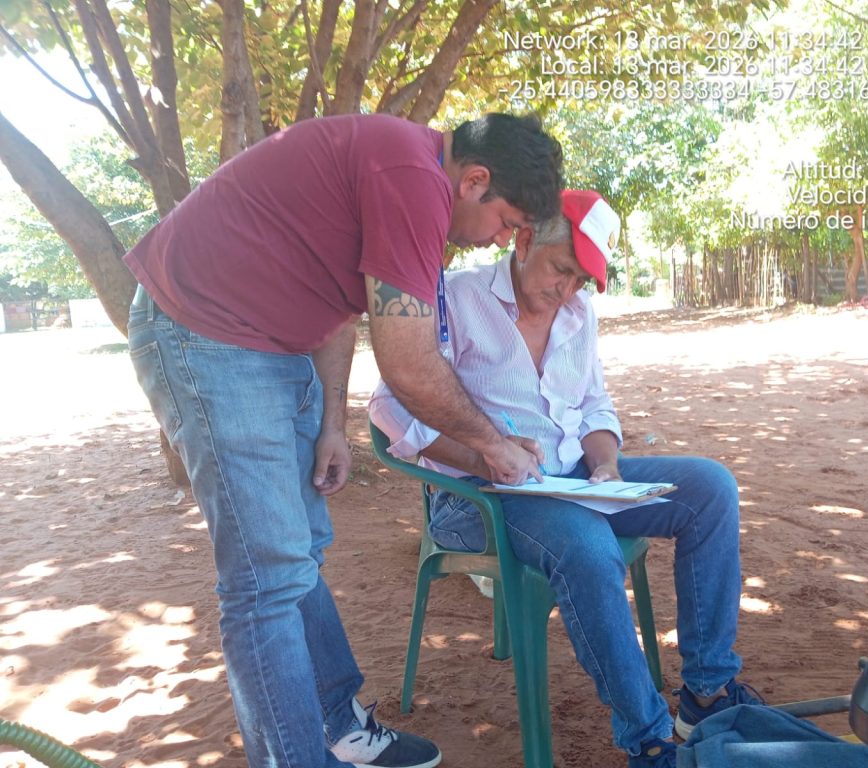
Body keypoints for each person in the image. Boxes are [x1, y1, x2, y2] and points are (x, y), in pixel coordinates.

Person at [124, 112, 562, 768]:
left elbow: (339, 306)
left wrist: (331, 422)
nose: (498, 241)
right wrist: (494, 443)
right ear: (476, 181)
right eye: (507, 223)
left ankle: (336, 725)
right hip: (203, 332)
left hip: (268, 344)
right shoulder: (412, 178)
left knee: (300, 554)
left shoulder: (410, 177)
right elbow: (410, 365)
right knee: (265, 577)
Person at [369, 190, 761, 768]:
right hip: (479, 497)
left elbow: (594, 406)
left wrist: (605, 464)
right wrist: (487, 456)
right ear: (525, 239)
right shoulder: (457, 297)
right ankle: (649, 740)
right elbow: (389, 406)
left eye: (581, 280)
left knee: (709, 490)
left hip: (571, 480)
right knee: (587, 545)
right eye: (561, 269)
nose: (567, 289)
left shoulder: (577, 315)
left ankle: (706, 691)